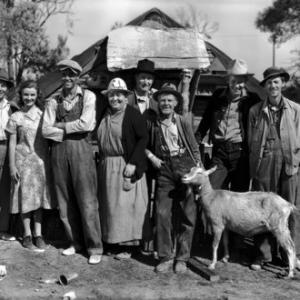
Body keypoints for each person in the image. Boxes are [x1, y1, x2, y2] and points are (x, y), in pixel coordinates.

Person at [42, 59, 102, 264]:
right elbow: (45, 130)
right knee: (64, 201)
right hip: (58, 152)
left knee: (87, 201)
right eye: (64, 75)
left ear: (78, 77)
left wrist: (60, 126)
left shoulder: (88, 96)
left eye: (71, 75)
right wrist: (65, 129)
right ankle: (74, 242)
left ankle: (94, 247)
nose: (67, 78)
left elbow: (87, 124)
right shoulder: (53, 101)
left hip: (81, 152)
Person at [248, 67, 300, 270]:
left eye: (276, 82)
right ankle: (262, 255)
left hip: (289, 165)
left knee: (291, 208)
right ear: (265, 87)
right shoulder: (255, 111)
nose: (273, 86)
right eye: (269, 83)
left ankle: (293, 255)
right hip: (264, 164)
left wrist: (296, 162)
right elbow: (252, 142)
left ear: (283, 84)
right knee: (263, 209)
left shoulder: (295, 110)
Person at [147, 82, 202, 273]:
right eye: (162, 100)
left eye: (170, 100)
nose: (166, 103)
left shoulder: (183, 121)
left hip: (185, 166)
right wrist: (152, 157)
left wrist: (198, 172)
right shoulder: (153, 123)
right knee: (162, 214)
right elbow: (143, 145)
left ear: (176, 102)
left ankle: (182, 258)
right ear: (157, 103)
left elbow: (194, 148)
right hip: (164, 169)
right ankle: (165, 256)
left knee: (187, 213)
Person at [98, 78, 149, 259]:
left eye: (119, 95)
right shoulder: (105, 113)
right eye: (112, 95)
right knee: (111, 207)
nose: (115, 99)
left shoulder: (133, 114)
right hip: (107, 165)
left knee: (126, 206)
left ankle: (129, 246)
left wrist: (133, 162)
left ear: (126, 97)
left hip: (124, 163)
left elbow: (143, 138)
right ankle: (113, 242)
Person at [6, 80, 54, 250]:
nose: (29, 98)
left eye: (32, 95)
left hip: (40, 162)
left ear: (37, 96)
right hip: (22, 163)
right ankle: (26, 234)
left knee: (39, 199)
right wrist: (12, 166)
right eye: (26, 94)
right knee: (24, 199)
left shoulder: (44, 115)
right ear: (21, 95)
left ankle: (38, 234)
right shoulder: (15, 117)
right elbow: (12, 143)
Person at [0, 69, 18, 241]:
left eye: (3, 85)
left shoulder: (11, 107)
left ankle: (3, 229)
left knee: (5, 190)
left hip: (6, 147)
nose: (0, 88)